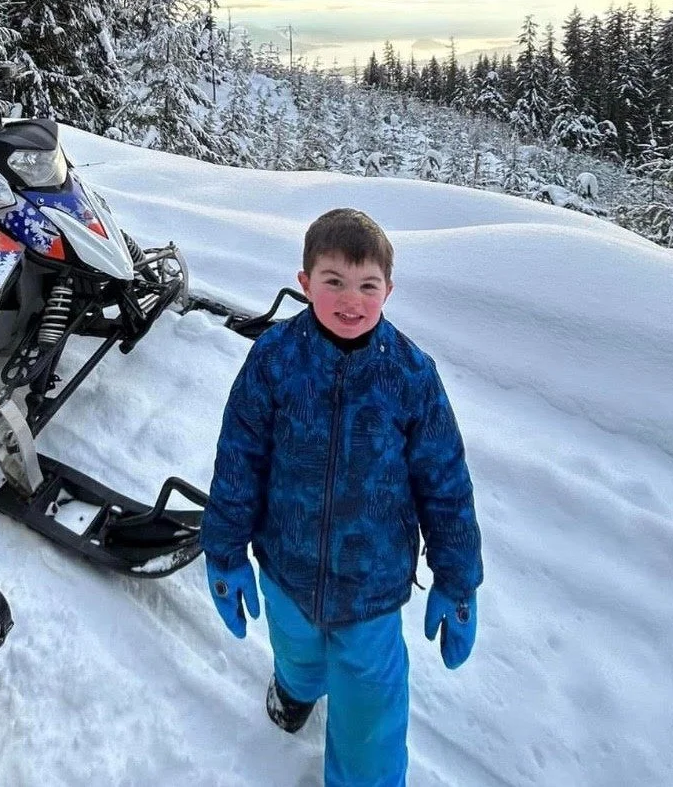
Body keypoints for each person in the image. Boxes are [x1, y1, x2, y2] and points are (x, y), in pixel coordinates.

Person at [201, 208, 482, 787]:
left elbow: (445, 483)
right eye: (333, 281)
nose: (350, 300)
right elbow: (239, 460)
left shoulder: (410, 375)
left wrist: (458, 577)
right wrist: (225, 552)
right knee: (297, 651)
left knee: (371, 720)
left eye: (367, 285)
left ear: (389, 290)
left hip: (372, 586)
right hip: (286, 562)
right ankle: (298, 688)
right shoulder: (275, 360)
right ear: (305, 283)